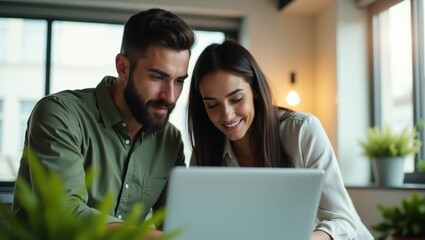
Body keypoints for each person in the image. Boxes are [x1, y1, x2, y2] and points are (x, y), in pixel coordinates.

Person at [12, 8, 195, 238]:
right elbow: (65, 215)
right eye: (158, 77)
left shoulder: (170, 140)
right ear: (123, 67)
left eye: (179, 81)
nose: (170, 95)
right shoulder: (60, 114)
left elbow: (174, 223)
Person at [187, 40, 374, 240]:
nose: (227, 115)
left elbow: (343, 220)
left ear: (255, 91)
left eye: (236, 99)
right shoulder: (205, 153)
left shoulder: (302, 130)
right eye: (213, 105)